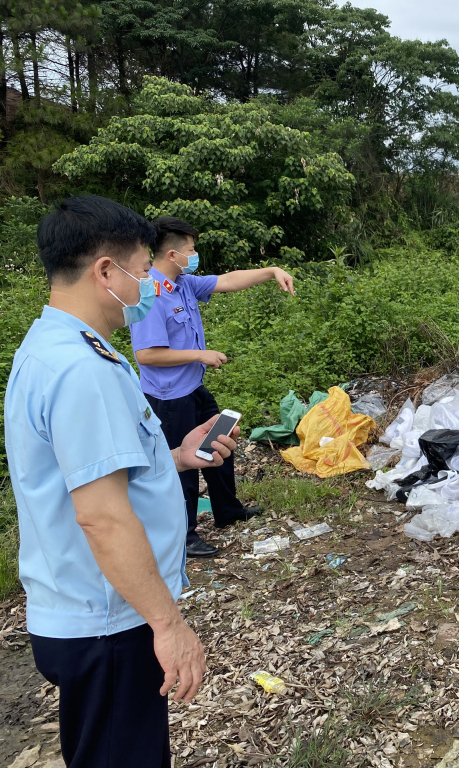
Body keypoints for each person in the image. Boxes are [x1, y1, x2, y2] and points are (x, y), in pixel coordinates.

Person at [5, 195, 240, 767]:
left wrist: (180, 458)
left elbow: (93, 477)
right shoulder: (80, 370)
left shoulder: (53, 347)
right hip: (107, 617)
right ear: (105, 271)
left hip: (83, 604)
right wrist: (169, 625)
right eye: (140, 271)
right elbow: (102, 516)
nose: (147, 286)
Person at [130, 216, 295, 557]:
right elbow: (146, 354)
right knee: (184, 466)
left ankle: (228, 511)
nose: (195, 254)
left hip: (192, 388)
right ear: (172, 253)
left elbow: (228, 280)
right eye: (191, 249)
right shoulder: (152, 293)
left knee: (221, 440)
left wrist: (271, 271)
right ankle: (185, 535)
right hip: (168, 399)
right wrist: (200, 354)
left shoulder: (184, 283)